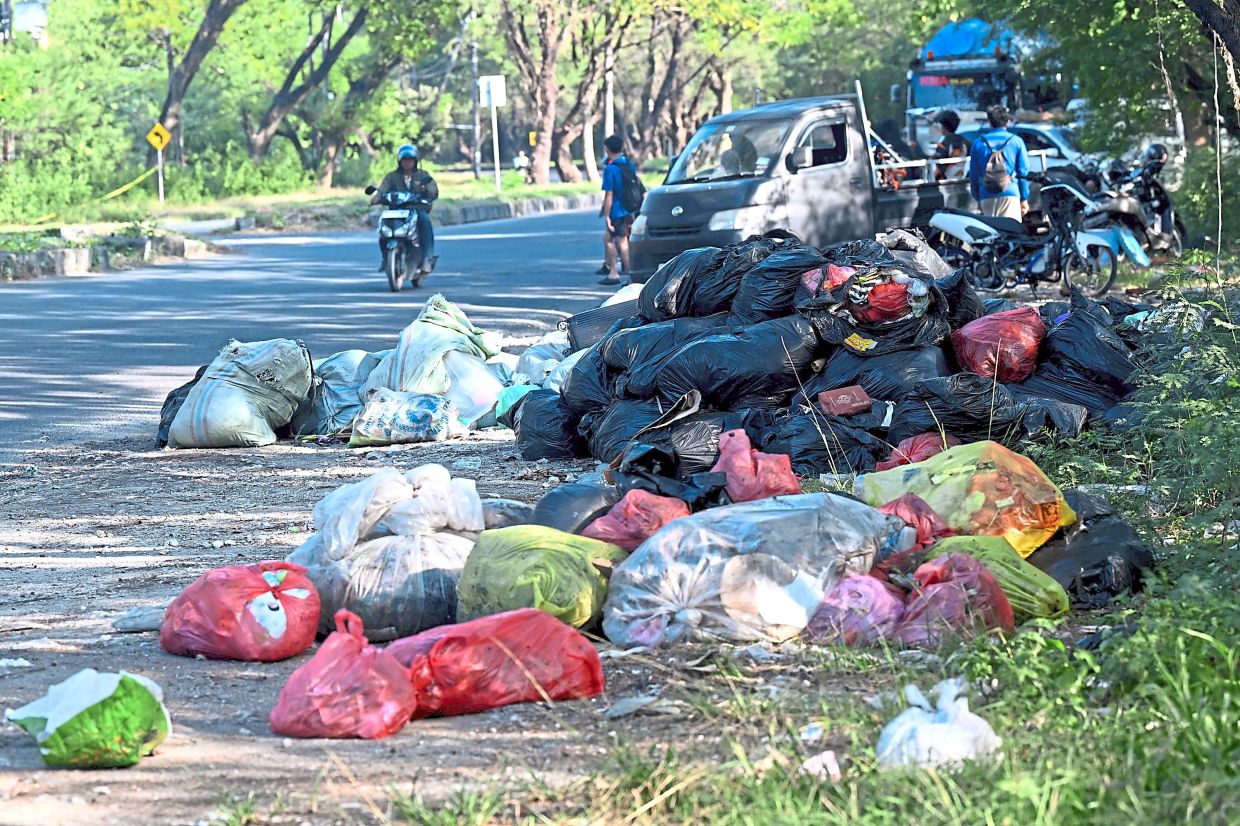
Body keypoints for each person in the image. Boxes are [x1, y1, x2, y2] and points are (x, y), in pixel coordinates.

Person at [371, 143, 438, 273]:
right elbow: (382, 189)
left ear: (415, 161)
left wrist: (424, 189)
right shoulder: (392, 176)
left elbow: (433, 191)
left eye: (410, 160)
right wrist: (377, 197)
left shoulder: (423, 175)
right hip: (396, 210)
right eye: (405, 160)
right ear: (400, 161)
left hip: (416, 209)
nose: (407, 163)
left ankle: (426, 259)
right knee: (383, 227)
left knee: (424, 221)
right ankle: (386, 258)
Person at [968, 105, 1029, 222]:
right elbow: (1023, 173)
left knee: (990, 237)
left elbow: (974, 175)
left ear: (990, 123)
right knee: (1011, 234)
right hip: (1010, 192)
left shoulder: (978, 143)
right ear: (1008, 121)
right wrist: (1024, 198)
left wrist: (978, 197)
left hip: (986, 194)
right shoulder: (1016, 141)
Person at [598, 134, 636, 285]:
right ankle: (627, 273)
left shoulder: (610, 169)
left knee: (618, 241)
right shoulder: (629, 165)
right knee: (619, 239)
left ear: (607, 149)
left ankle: (620, 273)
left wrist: (606, 215)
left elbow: (609, 195)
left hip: (617, 211)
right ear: (621, 148)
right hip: (629, 209)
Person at [931, 110, 969, 180]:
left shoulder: (943, 144)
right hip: (962, 180)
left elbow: (938, 164)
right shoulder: (965, 142)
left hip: (946, 182)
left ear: (944, 126)